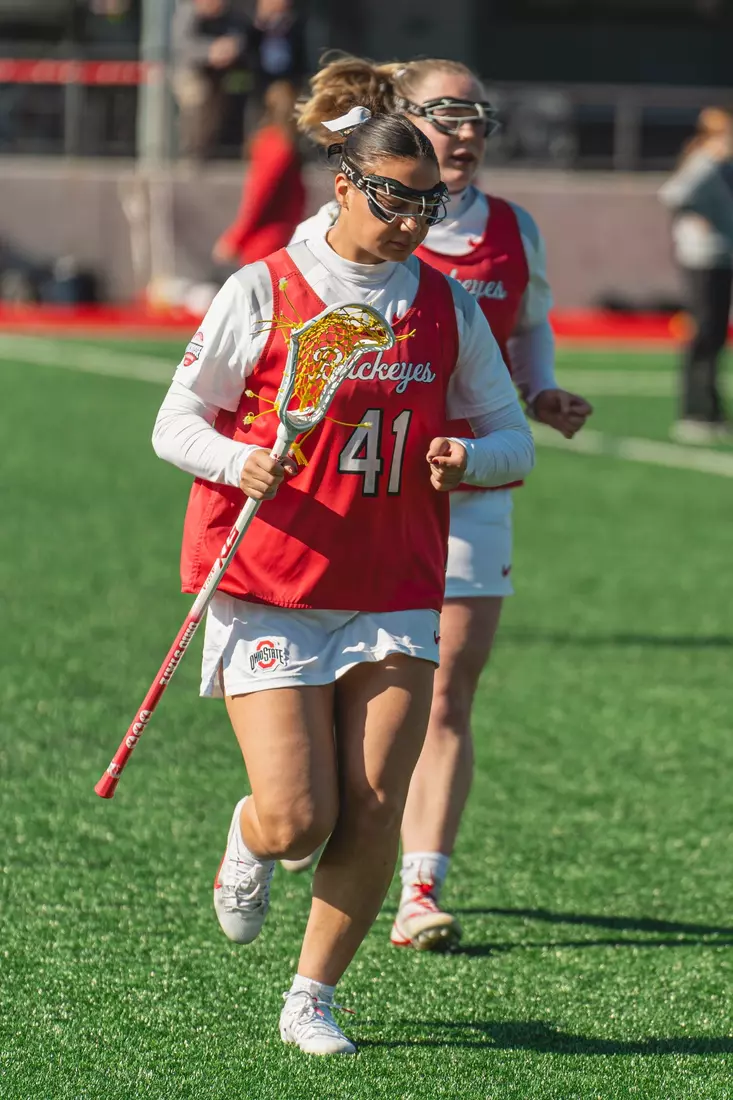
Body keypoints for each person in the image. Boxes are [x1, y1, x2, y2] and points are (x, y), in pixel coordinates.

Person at [151, 109, 534, 1054]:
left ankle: (311, 995)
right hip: (274, 580)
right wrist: (237, 460)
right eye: (393, 198)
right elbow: (175, 422)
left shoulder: (444, 305)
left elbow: (511, 435)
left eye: (428, 201)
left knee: (371, 803)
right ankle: (250, 837)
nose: (410, 218)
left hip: (396, 584)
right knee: (297, 817)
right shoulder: (265, 289)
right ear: (345, 186)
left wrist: (469, 458)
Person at [294, 55, 593, 949]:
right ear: (396, 116)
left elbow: (529, 323)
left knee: (447, 690)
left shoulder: (512, 227)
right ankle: (286, 819)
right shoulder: (341, 227)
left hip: (473, 479)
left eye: (477, 115)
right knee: (336, 691)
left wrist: (538, 392)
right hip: (366, 492)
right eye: (446, 112)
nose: (465, 130)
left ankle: (419, 886)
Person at [659, 107, 733, 444]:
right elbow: (674, 194)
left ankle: (712, 410)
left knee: (715, 336)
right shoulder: (704, 159)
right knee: (704, 334)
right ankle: (695, 412)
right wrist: (695, 216)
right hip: (703, 256)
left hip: (722, 256)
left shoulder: (722, 164)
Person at [213, 81, 305, 267]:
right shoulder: (277, 145)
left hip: (274, 237)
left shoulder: (274, 143)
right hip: (268, 239)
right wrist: (236, 238)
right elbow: (260, 196)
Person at [171, 0, 250, 159]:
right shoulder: (188, 13)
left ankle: (207, 151)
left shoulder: (230, 15)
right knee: (195, 102)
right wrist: (209, 52)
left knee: (216, 113)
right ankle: (190, 153)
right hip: (191, 71)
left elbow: (240, 37)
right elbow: (182, 46)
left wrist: (230, 48)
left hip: (220, 74)